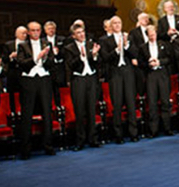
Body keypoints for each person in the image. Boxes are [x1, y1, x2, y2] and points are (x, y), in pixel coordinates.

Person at [15, 21, 55, 158]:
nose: (36, 32)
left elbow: (51, 63)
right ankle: (26, 149)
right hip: (29, 80)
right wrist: (36, 58)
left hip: (44, 79)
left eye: (38, 30)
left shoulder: (46, 44)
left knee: (47, 112)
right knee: (27, 114)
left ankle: (48, 146)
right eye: (33, 30)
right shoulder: (22, 46)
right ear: (28, 32)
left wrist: (45, 58)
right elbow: (21, 63)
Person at [62, 21, 101, 150]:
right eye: (78, 33)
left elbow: (98, 63)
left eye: (82, 32)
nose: (81, 34)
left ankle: (93, 139)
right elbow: (71, 65)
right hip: (78, 79)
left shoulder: (90, 44)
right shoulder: (69, 48)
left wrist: (94, 56)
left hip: (91, 78)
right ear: (73, 36)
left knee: (91, 110)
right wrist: (81, 57)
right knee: (79, 111)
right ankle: (80, 141)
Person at [100, 16, 139, 144]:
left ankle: (134, 133)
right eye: (115, 23)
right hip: (115, 73)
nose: (117, 25)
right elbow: (105, 58)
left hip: (128, 72)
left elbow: (135, 54)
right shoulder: (105, 40)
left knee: (131, 103)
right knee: (117, 104)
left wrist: (126, 45)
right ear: (111, 26)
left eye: (119, 23)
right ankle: (118, 135)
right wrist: (117, 49)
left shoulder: (129, 37)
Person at [138, 25, 173, 137]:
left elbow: (169, 59)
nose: (152, 37)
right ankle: (154, 130)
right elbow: (140, 63)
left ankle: (167, 128)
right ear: (147, 35)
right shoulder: (143, 48)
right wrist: (148, 64)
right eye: (150, 35)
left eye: (154, 34)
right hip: (151, 75)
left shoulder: (163, 44)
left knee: (165, 101)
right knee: (152, 103)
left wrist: (159, 62)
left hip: (162, 74)